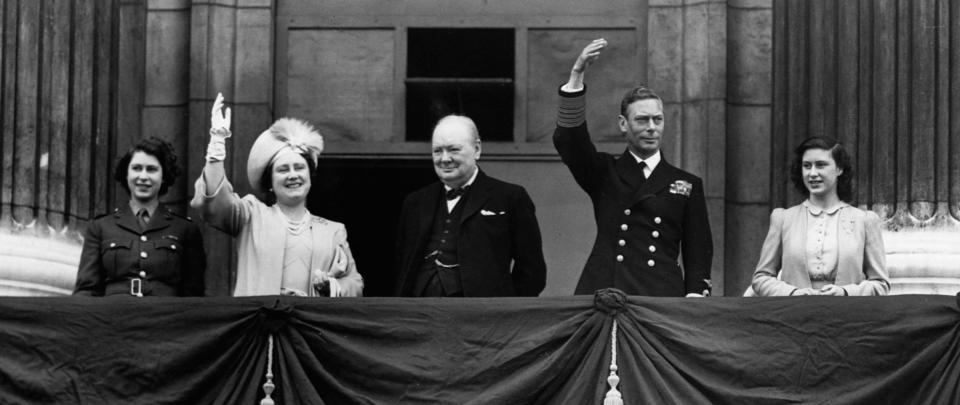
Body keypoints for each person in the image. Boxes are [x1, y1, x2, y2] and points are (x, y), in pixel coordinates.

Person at [553, 38, 713, 297]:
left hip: (661, 296)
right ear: (623, 124)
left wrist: (695, 294)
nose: (651, 127)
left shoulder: (687, 183)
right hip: (608, 291)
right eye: (642, 120)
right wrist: (576, 76)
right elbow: (569, 142)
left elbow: (698, 248)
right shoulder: (604, 172)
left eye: (657, 120)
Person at [190, 93, 363, 297]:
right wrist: (217, 145)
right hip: (259, 325)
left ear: (310, 175)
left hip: (308, 327)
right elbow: (215, 205)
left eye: (299, 167)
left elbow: (355, 284)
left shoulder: (334, 231)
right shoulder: (252, 216)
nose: (292, 175)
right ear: (270, 183)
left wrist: (331, 287)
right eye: (283, 170)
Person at [394, 115, 547, 297]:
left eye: (454, 150)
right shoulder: (415, 202)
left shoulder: (510, 197)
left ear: (476, 149)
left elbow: (532, 272)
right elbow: (402, 265)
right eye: (437, 151)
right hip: (420, 314)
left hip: (481, 318)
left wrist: (504, 313)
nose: (444, 159)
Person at [751, 137, 889, 296]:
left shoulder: (864, 220)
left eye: (821, 165)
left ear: (839, 169)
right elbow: (761, 278)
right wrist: (793, 293)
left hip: (847, 317)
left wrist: (845, 292)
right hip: (794, 316)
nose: (812, 173)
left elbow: (880, 284)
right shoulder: (783, 219)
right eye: (807, 166)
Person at [74, 137, 206, 297]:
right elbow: (86, 291)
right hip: (114, 318)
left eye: (151, 169)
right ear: (126, 173)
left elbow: (193, 296)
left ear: (164, 176)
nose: (143, 176)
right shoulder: (101, 227)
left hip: (165, 318)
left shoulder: (185, 230)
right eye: (136, 168)